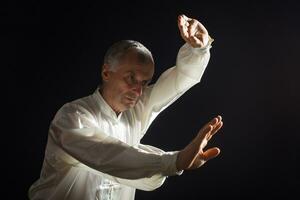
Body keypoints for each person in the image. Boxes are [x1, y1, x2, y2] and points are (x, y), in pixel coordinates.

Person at [28, 14, 223, 200]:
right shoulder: (72, 117)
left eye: (144, 83)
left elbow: (178, 82)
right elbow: (109, 155)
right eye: (131, 78)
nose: (138, 91)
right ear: (106, 72)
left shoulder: (135, 110)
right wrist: (175, 161)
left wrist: (199, 49)